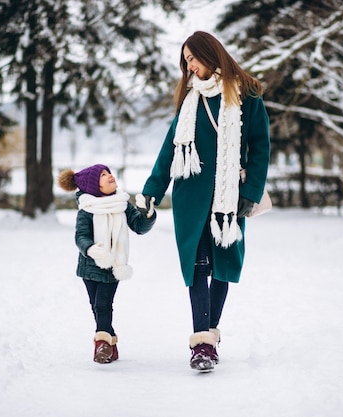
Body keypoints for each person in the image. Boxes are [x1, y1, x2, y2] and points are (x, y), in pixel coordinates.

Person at [140, 31, 270, 371]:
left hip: (229, 198)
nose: (189, 66)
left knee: (223, 265)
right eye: (185, 61)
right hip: (191, 197)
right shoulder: (189, 99)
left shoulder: (247, 93)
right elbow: (170, 150)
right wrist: (152, 191)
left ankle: (209, 333)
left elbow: (260, 148)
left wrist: (251, 192)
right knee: (197, 266)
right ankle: (202, 342)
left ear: (210, 54)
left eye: (192, 58)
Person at [58, 164, 156, 364]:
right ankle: (110, 345)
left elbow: (138, 226)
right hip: (89, 266)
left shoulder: (122, 204)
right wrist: (91, 249)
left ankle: (100, 345)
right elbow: (81, 236)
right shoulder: (87, 210)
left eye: (109, 172)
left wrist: (147, 215)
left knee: (103, 304)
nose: (109, 176)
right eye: (103, 175)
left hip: (114, 265)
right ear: (94, 186)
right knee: (96, 306)